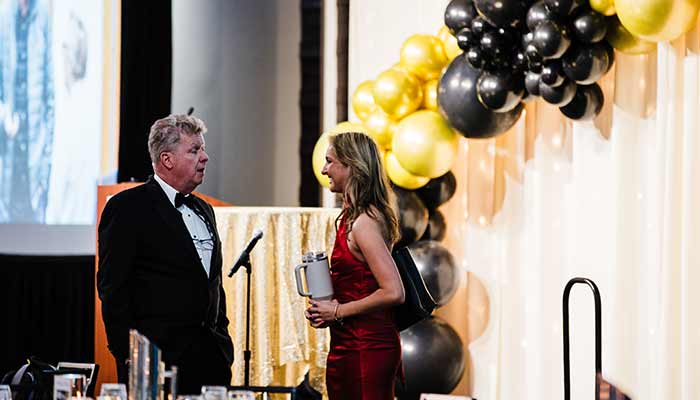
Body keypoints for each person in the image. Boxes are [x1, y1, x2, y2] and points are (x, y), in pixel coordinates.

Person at [97, 114, 233, 394]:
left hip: (210, 363)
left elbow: (213, 282)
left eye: (203, 149)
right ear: (167, 159)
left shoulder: (204, 210)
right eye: (194, 150)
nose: (205, 157)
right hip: (156, 365)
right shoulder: (127, 207)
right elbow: (113, 290)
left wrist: (223, 342)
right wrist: (129, 357)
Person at [305, 131, 405, 400]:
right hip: (349, 344)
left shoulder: (364, 222)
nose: (324, 169)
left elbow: (394, 291)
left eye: (329, 161)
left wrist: (336, 310)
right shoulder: (354, 217)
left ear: (351, 165)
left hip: (366, 347)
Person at [0, 0, 55, 222]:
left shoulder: (42, 16)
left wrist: (45, 164)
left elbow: (50, 100)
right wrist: (4, 115)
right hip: (8, 152)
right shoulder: (4, 17)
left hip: (34, 155)